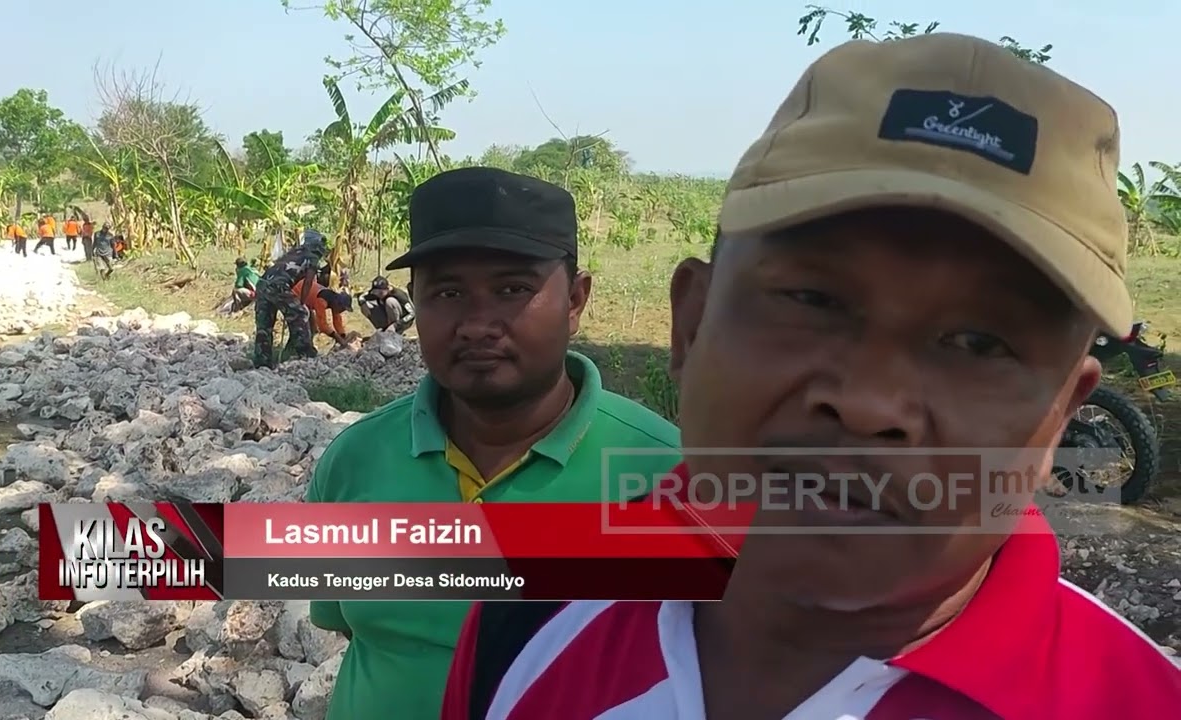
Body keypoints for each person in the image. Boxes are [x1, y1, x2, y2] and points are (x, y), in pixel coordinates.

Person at [440, 34, 1181, 720]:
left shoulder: (1133, 701)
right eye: (814, 300)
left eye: (979, 343)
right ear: (691, 327)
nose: (867, 404)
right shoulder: (534, 614)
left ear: (1057, 418)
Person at [306, 166, 681, 720]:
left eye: (513, 289)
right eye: (449, 292)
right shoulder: (354, 462)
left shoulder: (665, 473)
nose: (478, 324)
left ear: (575, 300)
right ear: (415, 303)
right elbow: (348, 630)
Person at [252, 230, 327, 368]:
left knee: (264, 326)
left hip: (262, 283)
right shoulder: (312, 257)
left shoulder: (294, 252)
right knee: (301, 314)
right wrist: (302, 303)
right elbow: (308, 282)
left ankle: (262, 360)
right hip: (278, 286)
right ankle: (305, 352)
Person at [291, 267, 348, 346]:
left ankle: (308, 345)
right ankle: (298, 348)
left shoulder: (335, 300)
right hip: (296, 295)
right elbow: (322, 325)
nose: (342, 311)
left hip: (307, 301)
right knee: (303, 325)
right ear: (338, 304)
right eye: (342, 309)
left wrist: (343, 335)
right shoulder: (321, 301)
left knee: (312, 327)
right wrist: (337, 338)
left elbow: (337, 319)